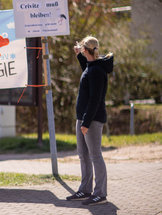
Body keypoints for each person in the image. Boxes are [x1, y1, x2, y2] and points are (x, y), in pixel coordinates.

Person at [66, 36, 113, 205]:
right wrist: (79, 56)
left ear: (86, 49)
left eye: (81, 48)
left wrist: (85, 123)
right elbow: (87, 69)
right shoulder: (91, 66)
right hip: (83, 118)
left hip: (92, 120)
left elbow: (95, 99)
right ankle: (85, 190)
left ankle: (100, 193)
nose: (79, 49)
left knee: (95, 155)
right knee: (83, 155)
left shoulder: (98, 71)